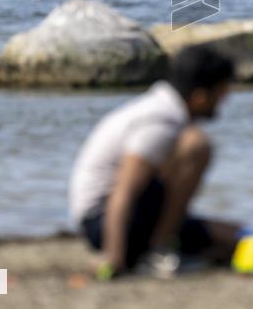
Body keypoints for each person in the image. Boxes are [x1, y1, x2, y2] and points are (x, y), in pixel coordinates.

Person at [68, 45, 240, 279]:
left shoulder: (165, 109)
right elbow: (124, 191)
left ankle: (164, 246)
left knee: (236, 238)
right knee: (197, 145)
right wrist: (114, 258)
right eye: (222, 94)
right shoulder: (159, 122)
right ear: (200, 97)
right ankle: (157, 251)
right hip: (104, 221)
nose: (224, 101)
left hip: (132, 215)